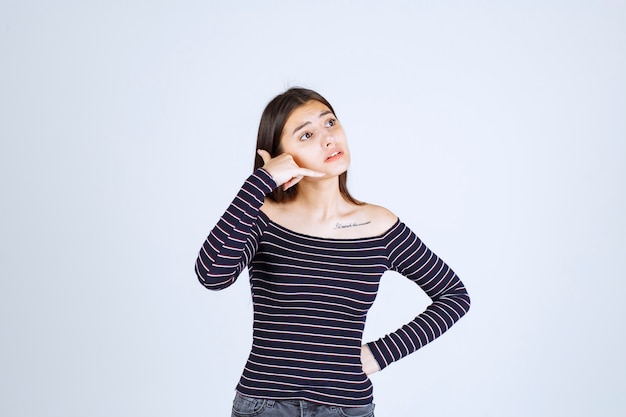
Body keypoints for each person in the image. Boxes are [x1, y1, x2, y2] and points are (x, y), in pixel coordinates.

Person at [195, 87, 471, 417]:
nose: (328, 138)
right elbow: (212, 275)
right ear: (282, 155)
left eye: (330, 123)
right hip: (264, 405)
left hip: (345, 407)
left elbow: (455, 296)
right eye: (307, 134)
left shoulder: (379, 225)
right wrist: (261, 181)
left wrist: (380, 354)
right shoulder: (262, 217)